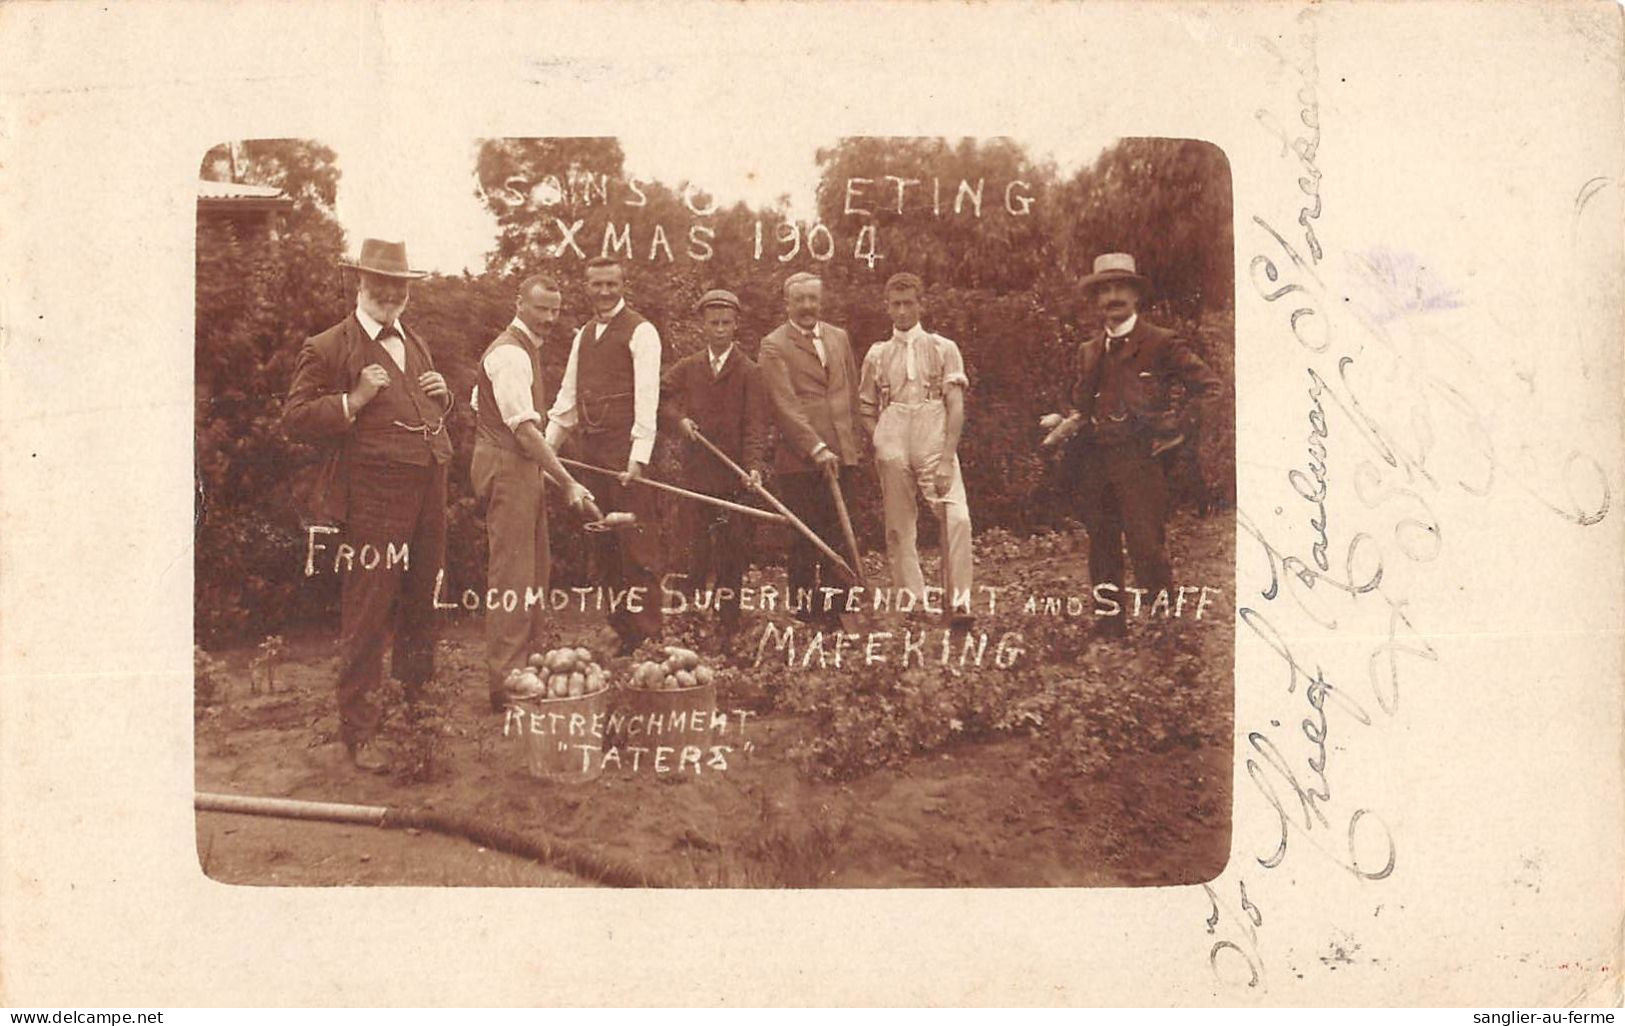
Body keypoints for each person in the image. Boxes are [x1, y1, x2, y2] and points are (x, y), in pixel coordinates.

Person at [283, 238, 453, 772]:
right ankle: (361, 731)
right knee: (369, 608)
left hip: (428, 486)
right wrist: (353, 400)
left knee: (423, 602)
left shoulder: (416, 342)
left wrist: (441, 397)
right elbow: (295, 418)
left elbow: (422, 410)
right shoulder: (330, 346)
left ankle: (413, 714)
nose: (389, 292)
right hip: (372, 496)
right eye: (378, 282)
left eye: (398, 283)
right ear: (359, 284)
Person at [1041, 252, 1222, 631]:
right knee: (1102, 547)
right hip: (1095, 461)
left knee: (1146, 549)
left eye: (1121, 287)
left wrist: (1177, 430)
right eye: (1104, 290)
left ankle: (1164, 633)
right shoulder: (1089, 351)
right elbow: (1081, 404)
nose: (1113, 297)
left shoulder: (1160, 343)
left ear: (1136, 295)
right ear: (1096, 301)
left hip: (1141, 461)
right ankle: (1110, 632)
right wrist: (1065, 421)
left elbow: (1210, 389)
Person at [470, 275, 595, 712]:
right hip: (508, 468)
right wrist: (567, 481)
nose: (548, 318)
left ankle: (524, 672)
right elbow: (524, 431)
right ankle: (507, 687)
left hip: (519, 470)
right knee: (512, 578)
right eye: (540, 308)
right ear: (519, 303)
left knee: (533, 574)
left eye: (555, 310)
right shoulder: (509, 354)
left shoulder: (524, 351)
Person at [544, 256, 663, 654]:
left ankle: (646, 634)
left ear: (623, 285)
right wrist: (546, 452)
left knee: (635, 545)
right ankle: (619, 629)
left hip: (627, 454)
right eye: (597, 284)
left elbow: (648, 398)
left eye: (612, 284)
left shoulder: (641, 331)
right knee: (604, 544)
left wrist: (638, 458)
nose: (605, 291)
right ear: (587, 286)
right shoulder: (584, 335)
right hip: (593, 454)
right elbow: (567, 399)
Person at [857, 273, 975, 626]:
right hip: (893, 431)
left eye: (909, 303)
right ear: (887, 307)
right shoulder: (877, 354)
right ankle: (914, 601)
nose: (903, 311)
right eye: (896, 304)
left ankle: (960, 602)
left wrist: (945, 457)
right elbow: (865, 406)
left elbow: (955, 406)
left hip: (933, 431)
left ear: (922, 304)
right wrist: (881, 438)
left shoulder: (943, 348)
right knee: (899, 526)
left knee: (957, 517)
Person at [659, 289, 772, 640]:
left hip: (733, 483)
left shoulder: (750, 372)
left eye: (726, 323)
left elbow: (756, 424)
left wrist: (753, 467)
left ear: (736, 325)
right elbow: (658, 398)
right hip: (696, 480)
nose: (720, 329)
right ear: (703, 326)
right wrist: (679, 421)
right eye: (713, 323)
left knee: (730, 559)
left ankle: (726, 630)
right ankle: (688, 628)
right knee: (692, 556)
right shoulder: (689, 368)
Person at [758, 271, 863, 626]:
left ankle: (841, 613)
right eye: (799, 299)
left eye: (812, 299)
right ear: (787, 303)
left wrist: (851, 445)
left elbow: (848, 391)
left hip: (842, 455)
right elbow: (783, 405)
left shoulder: (839, 337)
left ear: (821, 300)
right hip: (801, 462)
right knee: (806, 539)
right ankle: (806, 616)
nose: (807, 306)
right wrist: (815, 447)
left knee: (841, 536)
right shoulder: (773, 345)